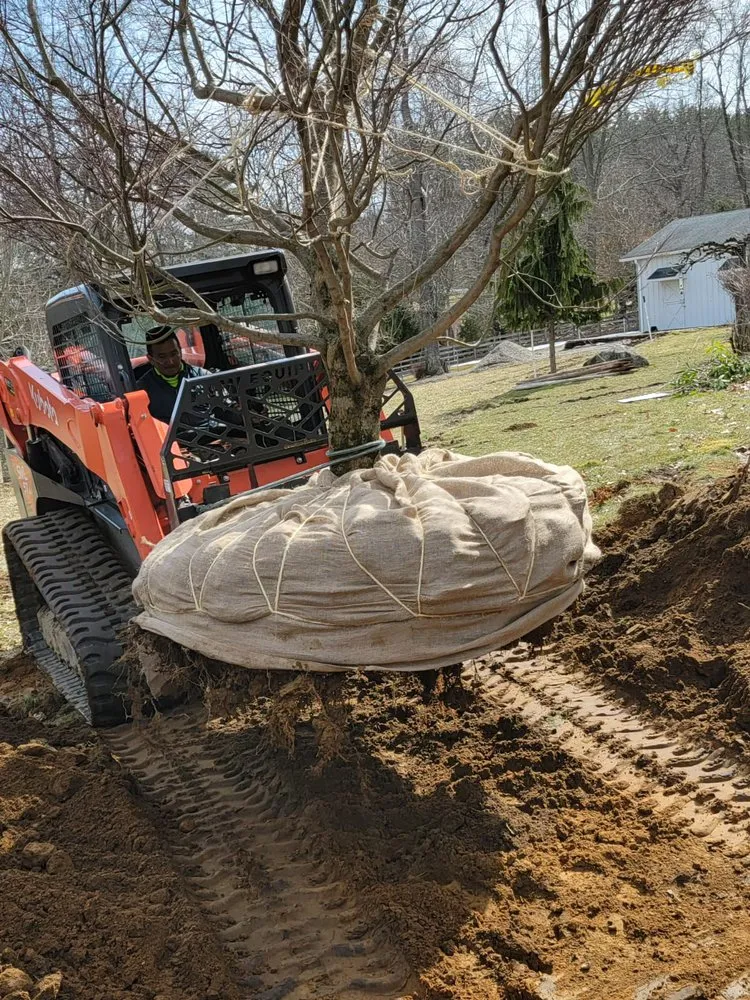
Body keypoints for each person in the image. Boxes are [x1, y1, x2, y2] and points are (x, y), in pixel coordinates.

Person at [137, 327, 211, 423]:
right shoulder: (142, 390)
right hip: (171, 437)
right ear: (150, 359)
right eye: (162, 357)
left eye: (174, 354)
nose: (171, 361)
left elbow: (226, 410)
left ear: (180, 351)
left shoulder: (204, 377)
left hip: (213, 436)